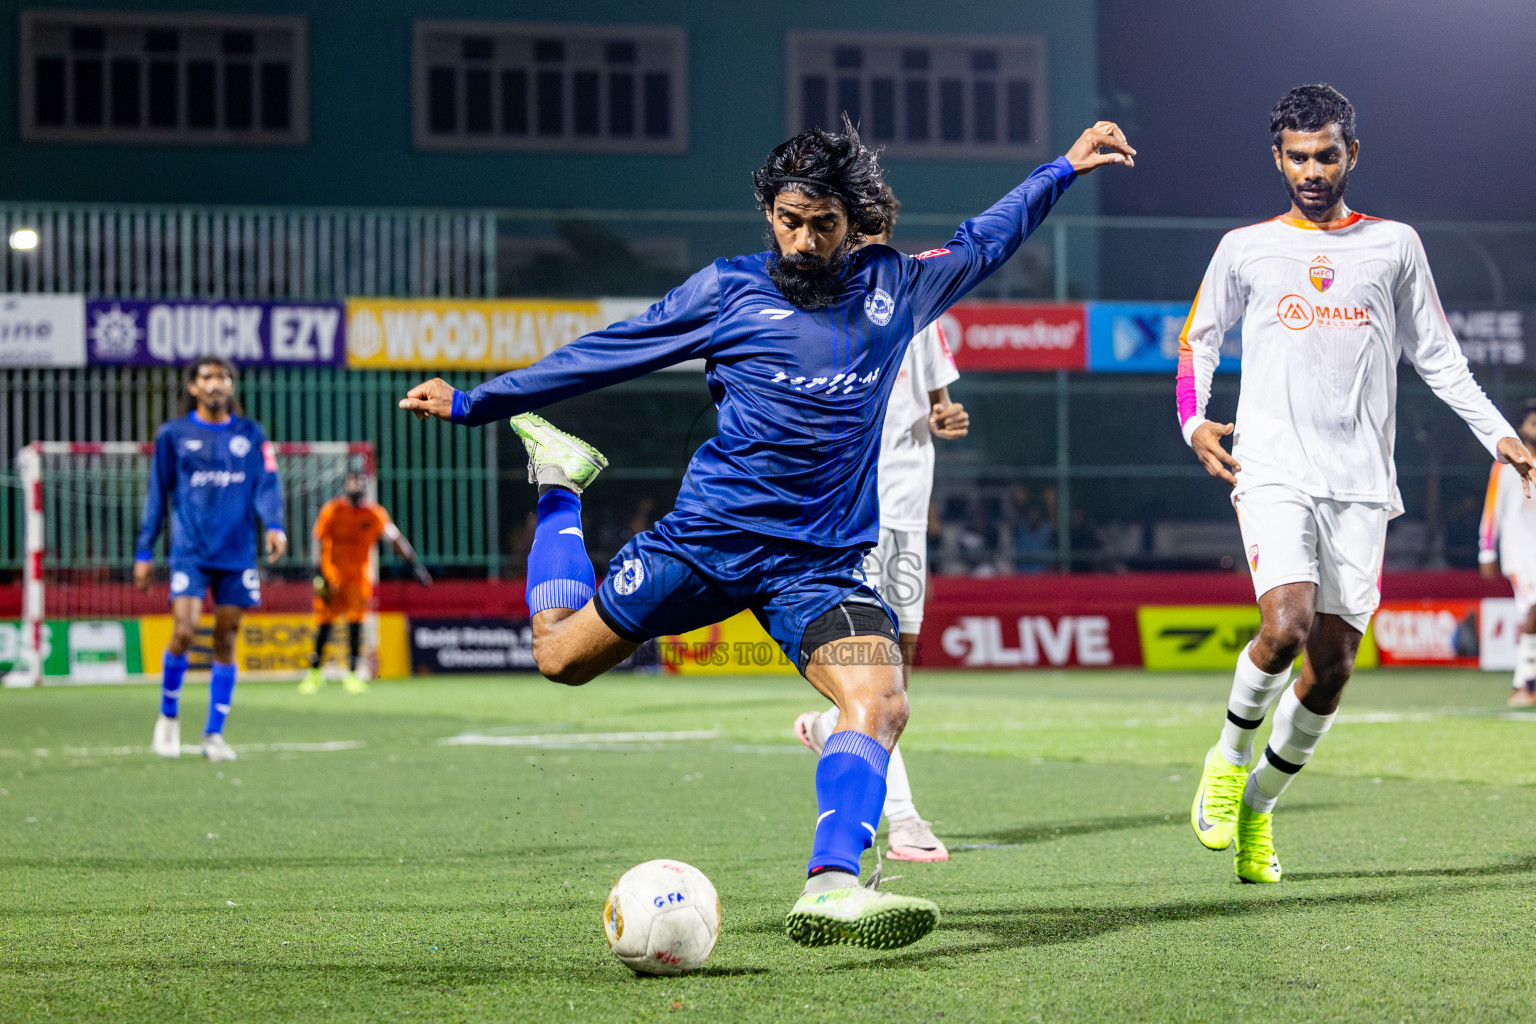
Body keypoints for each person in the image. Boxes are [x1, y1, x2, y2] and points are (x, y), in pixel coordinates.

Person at [401, 117, 1134, 948]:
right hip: (704, 544)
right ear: (769, 215)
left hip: (817, 568)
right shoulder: (728, 291)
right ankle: (559, 485)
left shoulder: (895, 287)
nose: (804, 240)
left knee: (882, 700)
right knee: (558, 658)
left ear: (854, 221)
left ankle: (831, 886)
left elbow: (985, 240)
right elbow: (609, 351)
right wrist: (476, 402)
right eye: (790, 221)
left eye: (823, 223)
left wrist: (1062, 169)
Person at [1180, 84, 1534, 883]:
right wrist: (1193, 422)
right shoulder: (1244, 247)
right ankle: (1228, 760)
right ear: (1278, 159)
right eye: (1297, 157)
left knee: (1333, 666)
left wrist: (1500, 434)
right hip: (1272, 469)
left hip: (1362, 482)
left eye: (1326, 155)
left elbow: (1439, 357)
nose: (1312, 171)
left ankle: (1259, 807)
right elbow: (1198, 339)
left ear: (1352, 154)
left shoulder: (1395, 245)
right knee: (1287, 625)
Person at [791, 190, 969, 864]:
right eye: (858, 236)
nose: (869, 248)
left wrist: (946, 416)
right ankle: (904, 819)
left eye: (879, 235)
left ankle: (827, 728)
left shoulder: (919, 311)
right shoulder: (817, 315)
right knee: (873, 671)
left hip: (906, 514)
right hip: (848, 518)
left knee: (899, 676)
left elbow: (940, 403)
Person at [135, 357, 286, 762]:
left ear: (232, 386)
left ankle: (214, 734)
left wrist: (274, 525)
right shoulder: (174, 434)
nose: (216, 383)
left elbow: (267, 483)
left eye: (223, 377)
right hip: (190, 552)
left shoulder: (251, 434)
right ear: (193, 387)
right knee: (184, 632)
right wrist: (144, 550)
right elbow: (157, 494)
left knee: (227, 635)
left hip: (237, 552)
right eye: (207, 377)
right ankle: (168, 717)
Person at [299, 472, 431, 695]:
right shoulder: (332, 510)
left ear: (365, 486)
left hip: (358, 578)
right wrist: (319, 574)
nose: (355, 487)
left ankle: (351, 674)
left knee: (356, 624)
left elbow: (396, 539)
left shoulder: (374, 513)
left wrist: (415, 565)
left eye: (359, 483)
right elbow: (318, 540)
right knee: (324, 623)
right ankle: (314, 673)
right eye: (351, 483)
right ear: (344, 486)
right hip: (332, 576)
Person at [1479, 400, 1536, 707]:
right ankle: (1523, 684)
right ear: (1522, 429)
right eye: (1533, 424)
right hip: (1518, 552)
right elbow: (1493, 509)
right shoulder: (1506, 465)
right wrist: (1486, 552)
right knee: (1534, 608)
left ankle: (1525, 682)